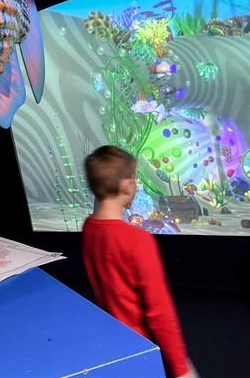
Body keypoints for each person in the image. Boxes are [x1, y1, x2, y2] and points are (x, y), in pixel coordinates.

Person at [81, 145, 197, 378]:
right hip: (145, 349)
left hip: (115, 342)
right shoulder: (138, 240)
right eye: (134, 176)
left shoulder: (89, 227)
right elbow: (159, 311)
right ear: (126, 185)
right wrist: (181, 369)